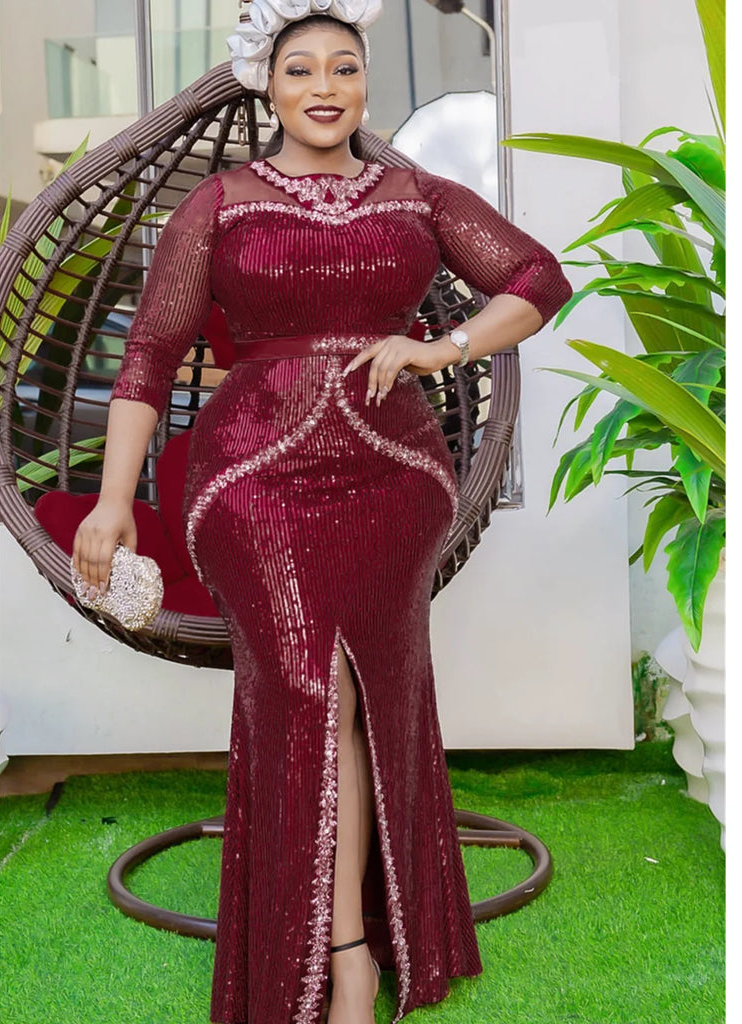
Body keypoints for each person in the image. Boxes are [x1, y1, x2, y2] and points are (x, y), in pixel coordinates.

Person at [72, 2, 573, 1022]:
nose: (324, 86)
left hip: (396, 472)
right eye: (300, 68)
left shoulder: (418, 195)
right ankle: (344, 955)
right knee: (308, 686)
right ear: (268, 84)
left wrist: (443, 348)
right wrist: (114, 500)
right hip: (249, 473)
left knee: (358, 689)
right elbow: (148, 356)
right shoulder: (218, 204)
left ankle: (348, 951)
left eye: (344, 66)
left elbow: (538, 277)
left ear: (365, 82)